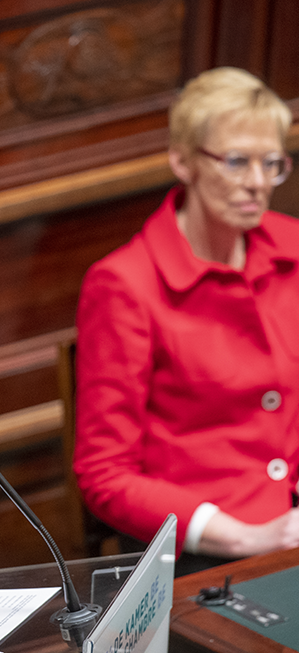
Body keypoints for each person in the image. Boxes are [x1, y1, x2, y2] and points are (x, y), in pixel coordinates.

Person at [73, 66, 299, 575]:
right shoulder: (125, 284)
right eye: (238, 161)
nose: (258, 183)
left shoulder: (293, 248)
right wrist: (247, 536)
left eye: (273, 163)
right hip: (206, 549)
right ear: (182, 160)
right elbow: (104, 476)